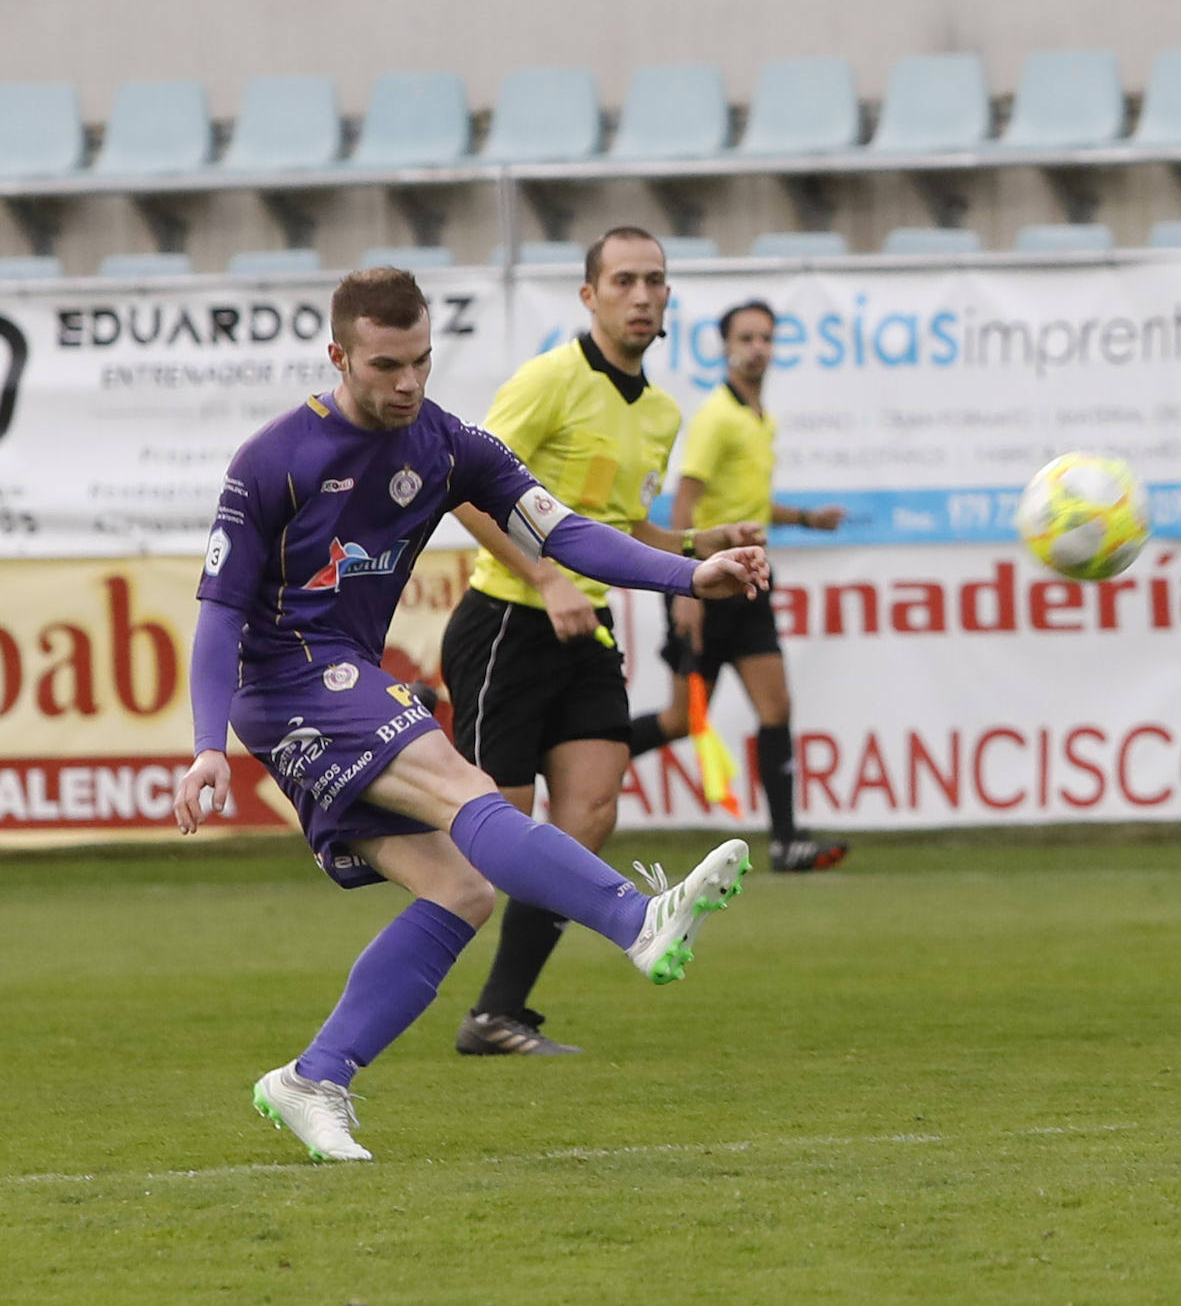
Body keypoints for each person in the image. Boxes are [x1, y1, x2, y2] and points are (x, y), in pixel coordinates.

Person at [171, 266, 766, 1163]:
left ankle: (311, 1077)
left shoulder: (446, 443)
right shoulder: (273, 459)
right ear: (339, 356)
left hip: (346, 677)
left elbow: (558, 529)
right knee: (464, 785)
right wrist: (205, 746)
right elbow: (218, 612)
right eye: (385, 366)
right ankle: (636, 922)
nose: (407, 383)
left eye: (420, 362)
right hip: (289, 681)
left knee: (460, 889)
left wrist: (689, 574)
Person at [440, 227, 762, 1058]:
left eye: (655, 280)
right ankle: (388, 999)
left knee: (587, 815)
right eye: (624, 280)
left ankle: (498, 1013)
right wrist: (544, 579)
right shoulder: (550, 380)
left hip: (588, 632)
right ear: (589, 296)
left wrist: (697, 545)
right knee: (495, 851)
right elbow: (465, 491)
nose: (643, 294)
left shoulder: (660, 412)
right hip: (508, 622)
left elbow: (620, 523)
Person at [628, 299, 850, 874]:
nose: (758, 348)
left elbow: (749, 501)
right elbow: (685, 502)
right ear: (726, 347)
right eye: (747, 338)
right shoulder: (717, 417)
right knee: (680, 721)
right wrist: (684, 589)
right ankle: (581, 756)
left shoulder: (759, 417)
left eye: (766, 338)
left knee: (776, 706)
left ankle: (786, 842)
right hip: (705, 582)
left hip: (750, 582)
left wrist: (804, 519)